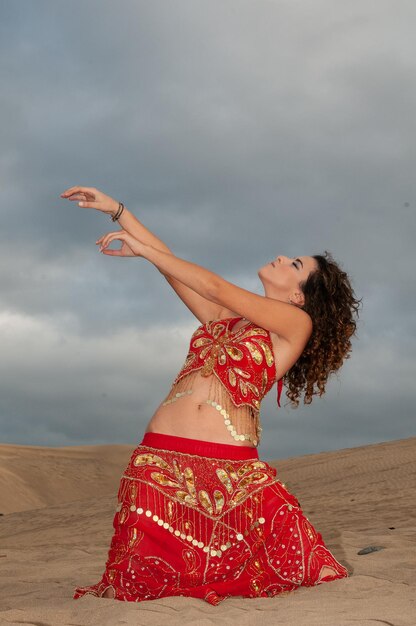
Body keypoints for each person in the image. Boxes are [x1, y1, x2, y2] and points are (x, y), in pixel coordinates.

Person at [61, 186, 360, 605]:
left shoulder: (294, 325)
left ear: (299, 294)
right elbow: (176, 272)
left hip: (228, 475)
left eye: (294, 264)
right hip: (158, 463)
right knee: (142, 585)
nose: (281, 257)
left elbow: (215, 286)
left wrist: (147, 252)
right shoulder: (225, 319)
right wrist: (119, 211)